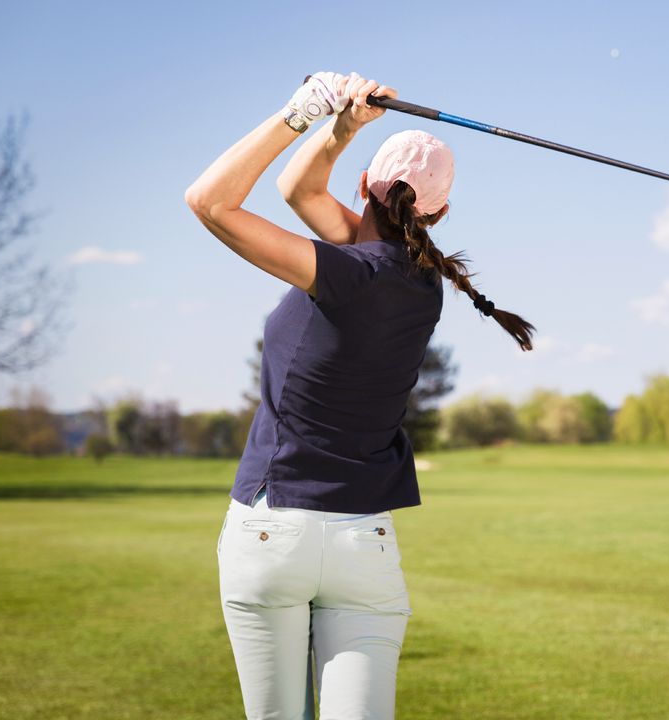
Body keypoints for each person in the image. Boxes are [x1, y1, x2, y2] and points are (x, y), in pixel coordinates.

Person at [185, 71, 535, 719]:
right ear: (439, 213)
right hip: (363, 547)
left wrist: (302, 113)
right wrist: (340, 127)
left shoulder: (343, 272)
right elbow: (301, 190)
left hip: (272, 533)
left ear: (366, 188)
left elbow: (210, 202)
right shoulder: (423, 283)